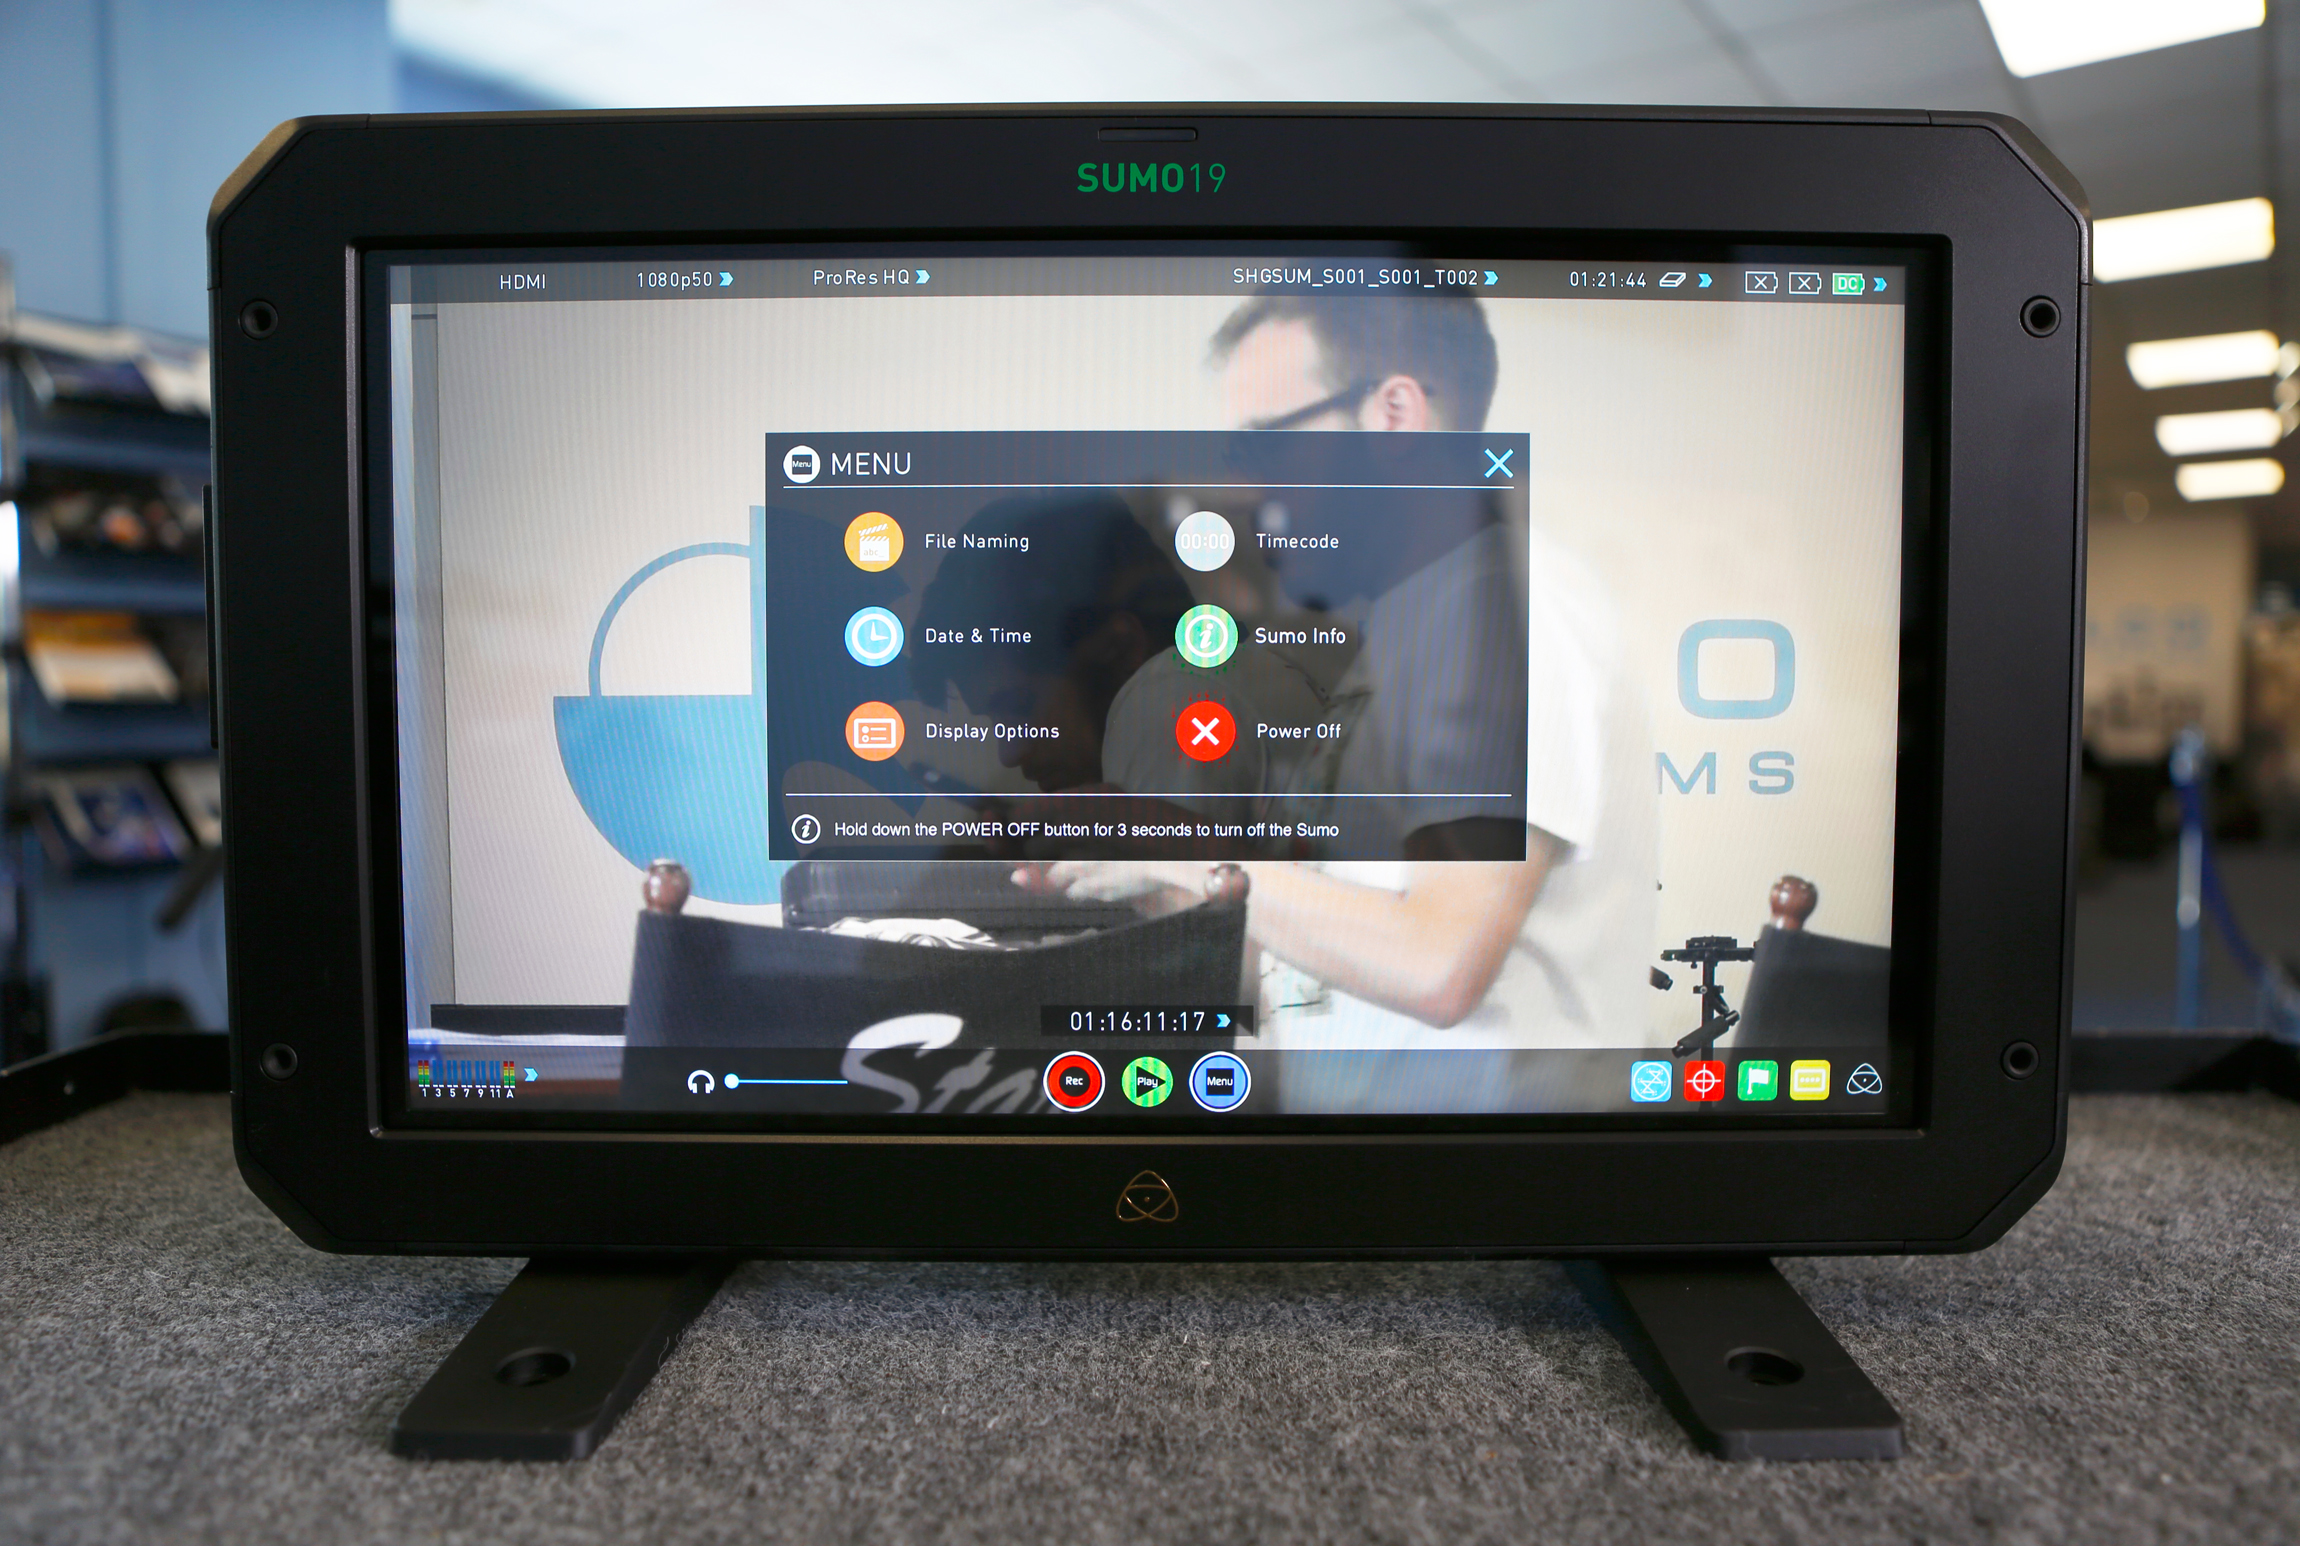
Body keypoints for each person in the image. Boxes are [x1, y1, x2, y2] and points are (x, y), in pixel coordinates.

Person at [1024, 292, 1662, 1110]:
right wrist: (1150, 882)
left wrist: (1181, 856)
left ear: (1393, 415)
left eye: (1269, 440)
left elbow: (1437, 966)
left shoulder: (1508, 611)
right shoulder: (1408, 626)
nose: (1247, 482)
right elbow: (1344, 959)